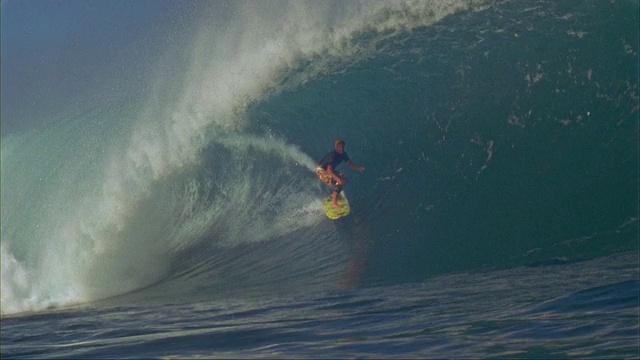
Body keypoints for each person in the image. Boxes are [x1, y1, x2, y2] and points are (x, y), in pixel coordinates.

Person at [317, 139, 365, 208]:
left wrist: (358, 168)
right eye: (339, 147)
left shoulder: (343, 154)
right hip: (321, 171)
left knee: (344, 180)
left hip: (328, 170)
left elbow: (349, 164)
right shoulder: (333, 156)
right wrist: (337, 178)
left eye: (342, 147)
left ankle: (334, 196)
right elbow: (329, 170)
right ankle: (334, 203)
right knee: (339, 182)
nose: (341, 149)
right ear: (336, 147)